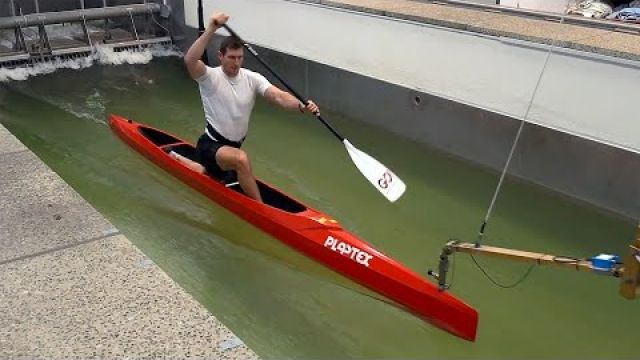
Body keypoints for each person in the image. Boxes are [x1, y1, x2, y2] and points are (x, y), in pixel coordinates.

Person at [182, 12, 319, 203]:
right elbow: (189, 60)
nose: (236, 63)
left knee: (226, 167)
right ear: (220, 56)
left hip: (230, 149)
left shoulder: (252, 78)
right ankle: (261, 209)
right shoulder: (209, 77)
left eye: (240, 58)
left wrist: (301, 105)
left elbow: (279, 97)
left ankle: (183, 160)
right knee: (241, 160)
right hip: (210, 146)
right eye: (231, 57)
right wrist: (212, 28)